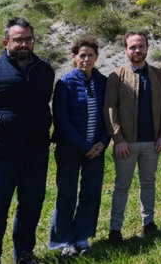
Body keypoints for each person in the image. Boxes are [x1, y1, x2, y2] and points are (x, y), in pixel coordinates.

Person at [0, 17, 54, 264]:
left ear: (33, 40)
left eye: (28, 39)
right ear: (6, 42)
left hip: (35, 151)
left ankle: (25, 253)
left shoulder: (44, 70)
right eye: (17, 40)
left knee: (32, 205)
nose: (23, 44)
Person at [105, 31, 161, 244]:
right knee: (122, 185)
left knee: (148, 183)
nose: (137, 50)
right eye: (132, 47)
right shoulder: (116, 76)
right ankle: (115, 229)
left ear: (147, 48)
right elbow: (109, 108)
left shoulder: (159, 75)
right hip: (126, 143)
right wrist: (118, 139)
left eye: (141, 46)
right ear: (126, 50)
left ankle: (149, 223)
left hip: (152, 142)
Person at [49, 37, 109, 256]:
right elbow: (62, 121)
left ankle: (82, 237)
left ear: (96, 57)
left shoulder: (103, 82)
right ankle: (65, 241)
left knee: (91, 193)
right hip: (70, 150)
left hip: (97, 149)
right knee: (67, 193)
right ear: (73, 57)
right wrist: (84, 146)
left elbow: (108, 116)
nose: (86, 59)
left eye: (90, 55)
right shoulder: (64, 84)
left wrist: (103, 142)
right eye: (81, 55)